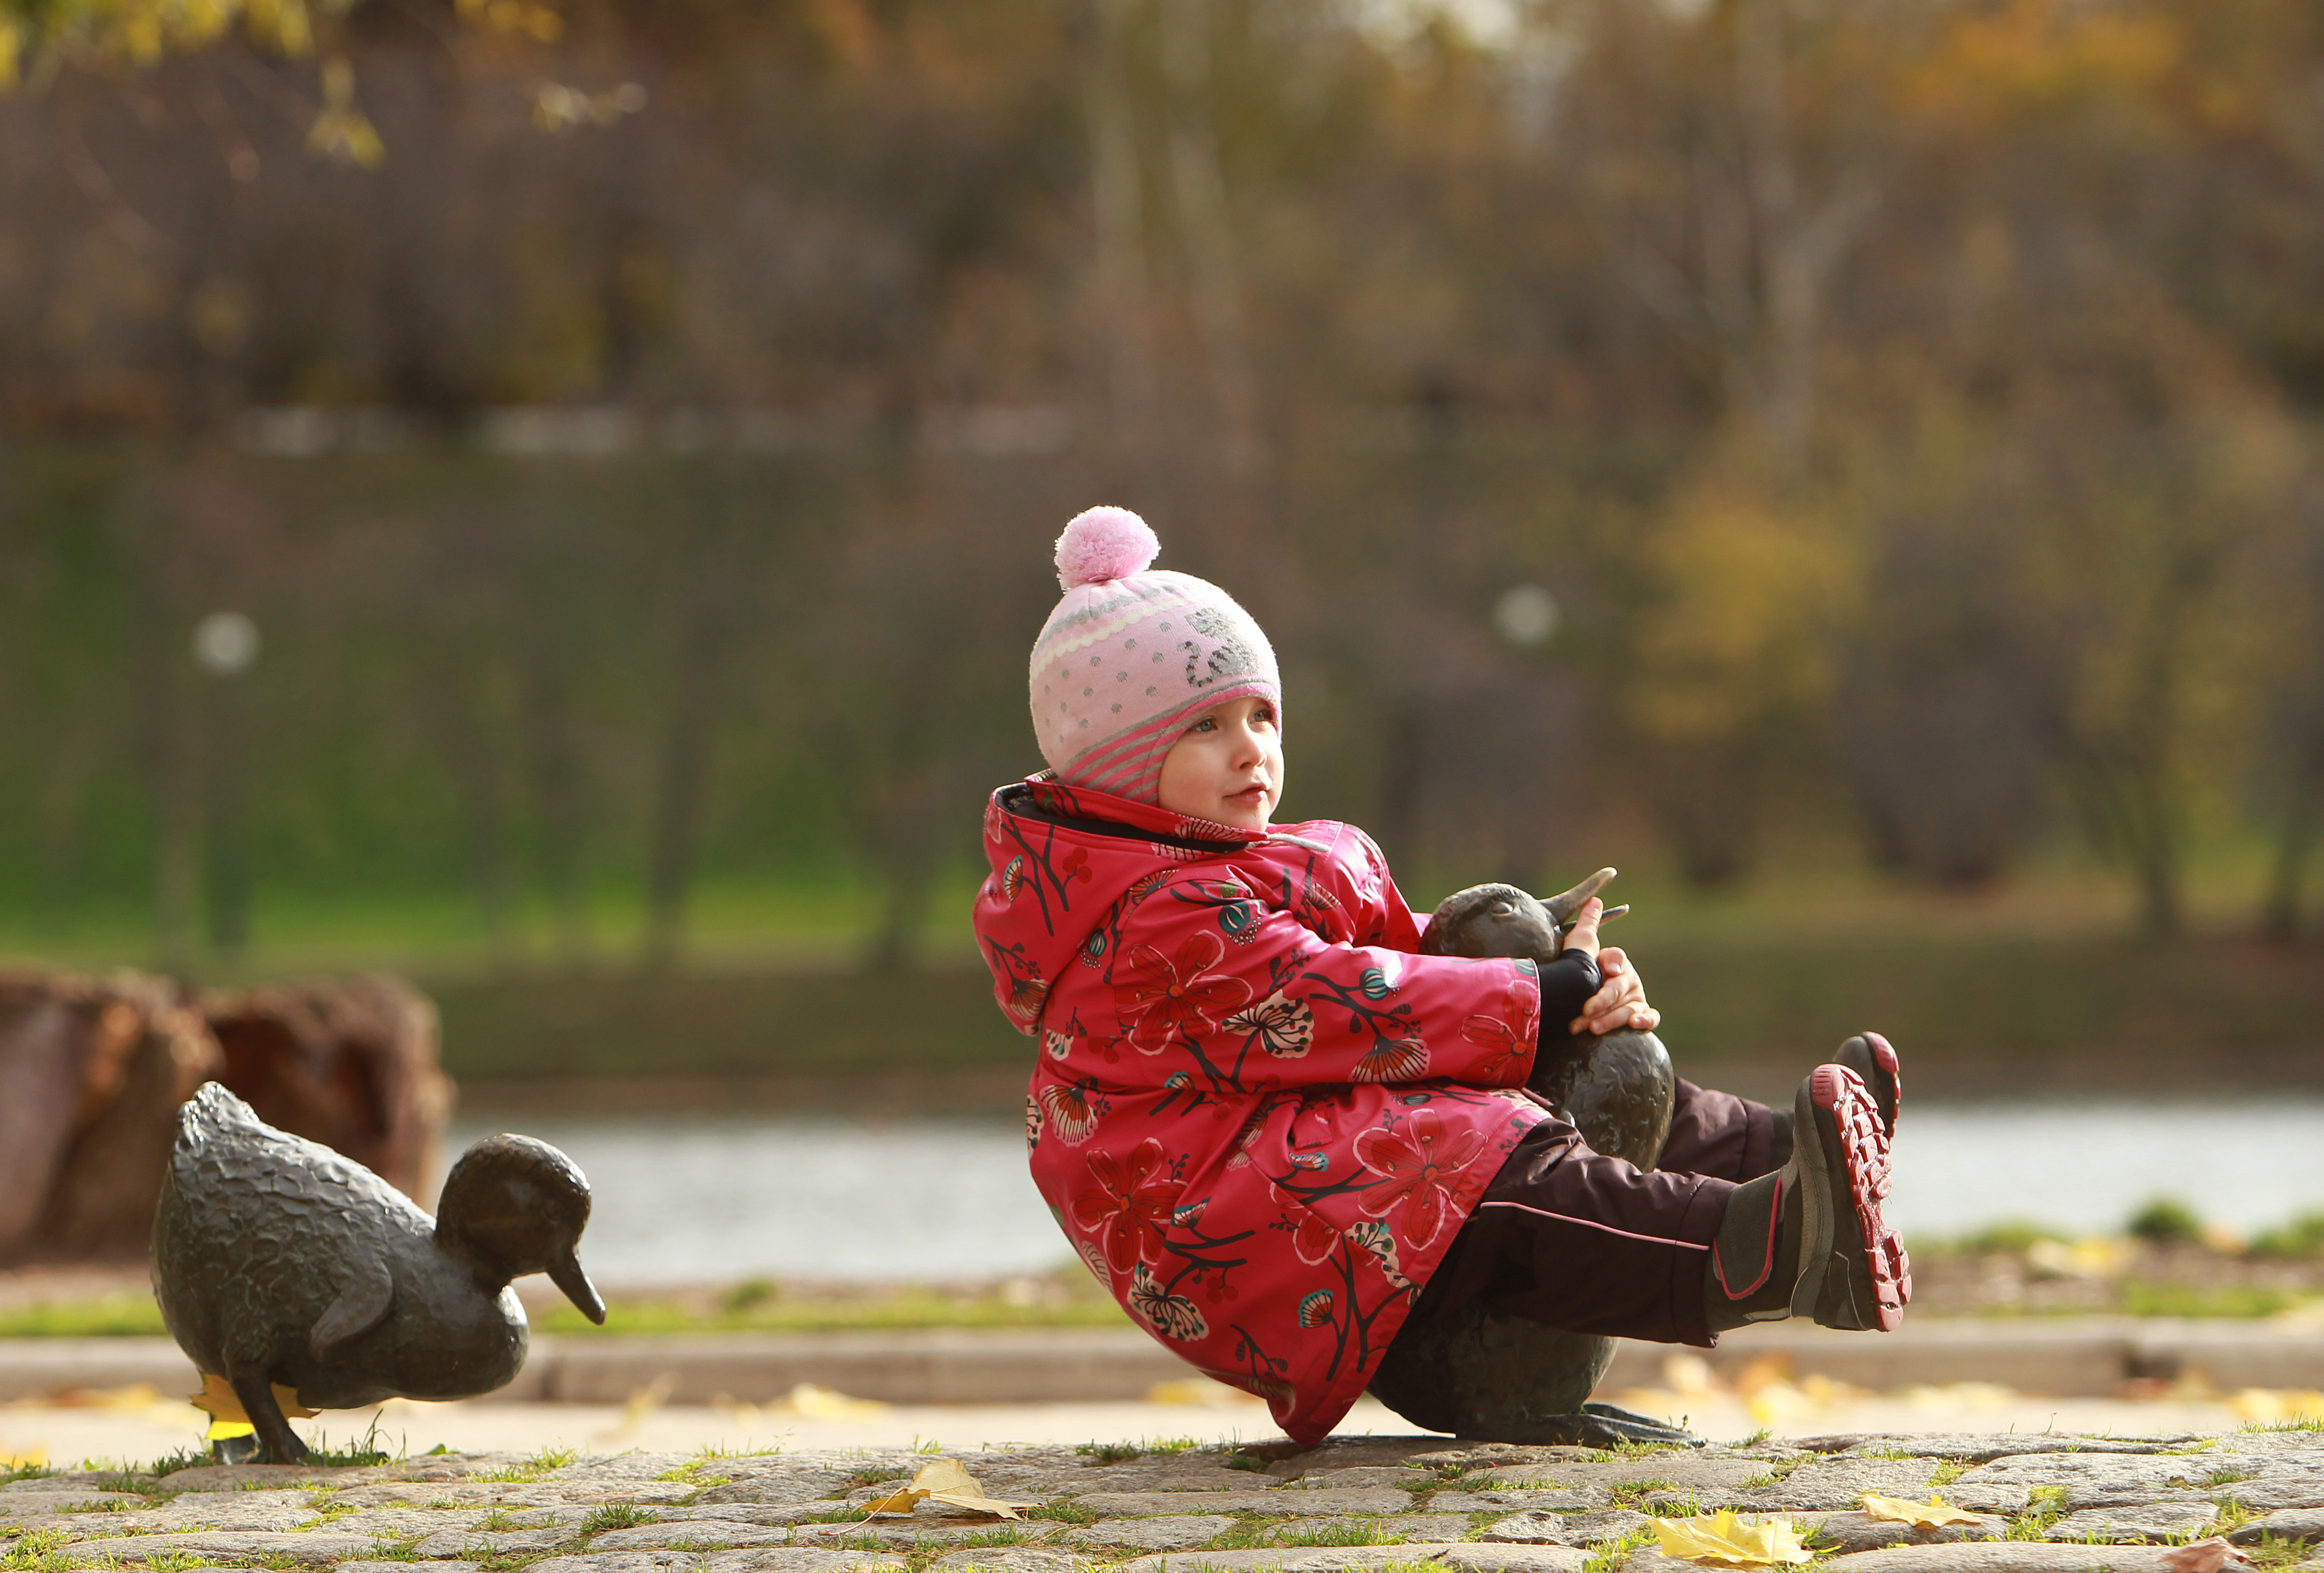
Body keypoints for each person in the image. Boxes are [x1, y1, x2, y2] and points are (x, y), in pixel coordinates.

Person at [973, 505, 1909, 1448]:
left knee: (1569, 1048)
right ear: (1118, 769)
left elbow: (1405, 953)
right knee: (1476, 1162)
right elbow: (1334, 998)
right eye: (1207, 727)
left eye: (1262, 714)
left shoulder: (1244, 864)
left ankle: (1784, 1157)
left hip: (1296, 1151)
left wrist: (1555, 964)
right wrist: (1541, 996)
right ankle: (1770, 1251)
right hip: (1248, 1226)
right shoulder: (1155, 921)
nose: (1252, 747)